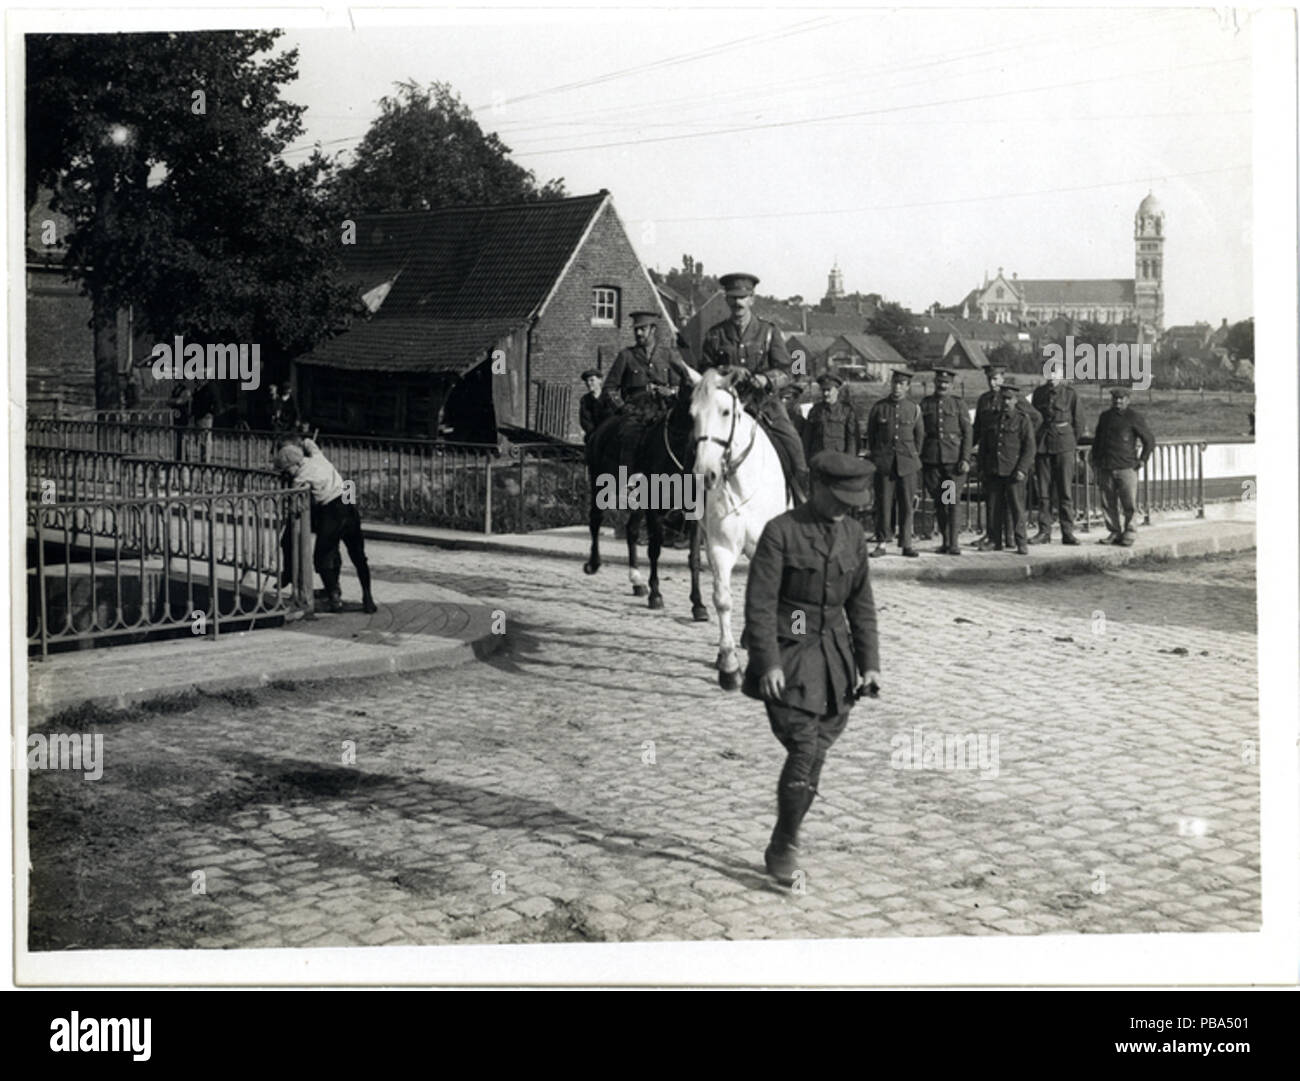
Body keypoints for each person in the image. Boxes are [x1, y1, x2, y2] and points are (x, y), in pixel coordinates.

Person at [741, 450, 880, 886]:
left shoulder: (854, 535)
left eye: (854, 501)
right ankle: (784, 845)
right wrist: (768, 662)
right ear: (816, 487)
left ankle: (783, 840)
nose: (846, 508)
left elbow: (861, 604)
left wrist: (870, 665)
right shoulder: (781, 532)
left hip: (836, 666)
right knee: (804, 751)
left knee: (816, 757)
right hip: (790, 658)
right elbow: (760, 604)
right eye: (839, 498)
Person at [700, 272, 808, 498]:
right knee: (698, 445)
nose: (737, 303)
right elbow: (704, 372)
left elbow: (787, 372)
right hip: (726, 405)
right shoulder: (715, 334)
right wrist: (726, 372)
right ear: (726, 300)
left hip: (763, 404)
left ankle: (801, 500)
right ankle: (689, 511)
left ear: (752, 299)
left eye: (742, 297)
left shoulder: (769, 332)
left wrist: (766, 379)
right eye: (732, 298)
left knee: (794, 445)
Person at [272, 437, 377, 613]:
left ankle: (334, 597)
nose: (288, 473)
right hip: (348, 503)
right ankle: (368, 597)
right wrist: (303, 441)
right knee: (358, 555)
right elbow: (309, 443)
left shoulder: (301, 477)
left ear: (294, 465)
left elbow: (294, 505)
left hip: (332, 511)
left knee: (321, 558)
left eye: (287, 469)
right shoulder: (318, 457)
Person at [971, 363, 1041, 547]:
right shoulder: (984, 400)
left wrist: (1019, 441)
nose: (992, 383)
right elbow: (979, 429)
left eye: (995, 379)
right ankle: (993, 537)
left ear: (1002, 379)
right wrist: (967, 452)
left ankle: (1014, 539)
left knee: (1015, 505)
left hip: (1012, 460)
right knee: (993, 503)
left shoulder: (1016, 401)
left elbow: (1035, 420)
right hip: (992, 460)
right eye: (989, 379)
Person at [864, 369, 924, 557]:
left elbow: (919, 437)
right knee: (883, 503)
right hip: (885, 464)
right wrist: (878, 457)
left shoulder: (914, 408)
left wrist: (912, 457)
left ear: (907, 387)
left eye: (901, 384)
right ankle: (882, 542)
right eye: (894, 383)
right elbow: (872, 436)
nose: (897, 387)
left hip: (907, 464)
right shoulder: (879, 408)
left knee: (907, 504)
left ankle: (906, 543)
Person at [1090, 384, 1156, 546]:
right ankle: (1114, 532)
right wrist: (1096, 461)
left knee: (1129, 504)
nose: (1117, 402)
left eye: (1121, 399)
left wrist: (1142, 460)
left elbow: (1149, 440)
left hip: (1127, 467)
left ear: (1128, 400)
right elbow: (1098, 441)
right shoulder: (1104, 417)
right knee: (1108, 503)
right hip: (1106, 467)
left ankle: (1130, 533)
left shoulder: (1134, 417)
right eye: (1115, 399)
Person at [920, 368, 973, 555]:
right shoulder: (926, 404)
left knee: (951, 500)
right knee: (939, 502)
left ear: (951, 385)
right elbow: (919, 433)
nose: (942, 386)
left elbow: (967, 433)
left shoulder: (958, 405)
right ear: (935, 383)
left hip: (952, 462)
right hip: (932, 461)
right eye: (939, 382)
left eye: (946, 383)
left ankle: (954, 543)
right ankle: (945, 540)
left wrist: (965, 458)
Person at [1029, 369, 1081, 545]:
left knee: (1065, 491)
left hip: (1064, 446)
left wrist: (1070, 443)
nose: (1051, 374)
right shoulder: (1039, 393)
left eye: (1055, 370)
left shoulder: (1070, 394)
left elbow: (1078, 423)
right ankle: (1044, 532)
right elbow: (1035, 419)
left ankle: (1068, 532)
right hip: (1043, 445)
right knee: (1043, 493)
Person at [802, 371, 860, 458]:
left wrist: (849, 462)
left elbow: (852, 440)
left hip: (838, 460)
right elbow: (807, 439)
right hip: (818, 459)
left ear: (837, 390)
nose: (825, 394)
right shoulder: (815, 411)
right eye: (823, 390)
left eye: (828, 390)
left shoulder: (847, 411)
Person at [578, 369, 615, 441]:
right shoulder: (585, 400)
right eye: (587, 381)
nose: (588, 383)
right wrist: (594, 433)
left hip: (611, 434)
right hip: (594, 435)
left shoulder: (609, 397)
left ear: (600, 380)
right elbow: (585, 420)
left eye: (592, 380)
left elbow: (614, 417)